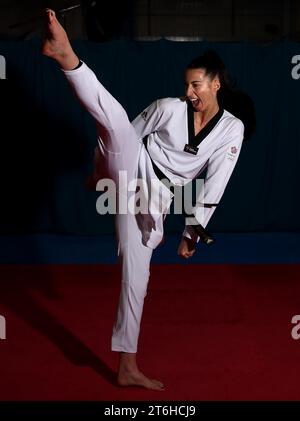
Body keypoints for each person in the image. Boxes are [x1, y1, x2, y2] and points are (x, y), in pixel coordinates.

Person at [42, 9, 251, 390]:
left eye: (197, 85)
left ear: (216, 84)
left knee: (136, 278)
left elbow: (218, 180)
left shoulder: (231, 130)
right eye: (187, 85)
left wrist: (191, 230)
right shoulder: (167, 108)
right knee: (115, 121)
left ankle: (127, 367)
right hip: (131, 164)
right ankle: (67, 56)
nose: (189, 92)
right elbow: (121, 136)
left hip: (151, 201)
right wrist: (100, 171)